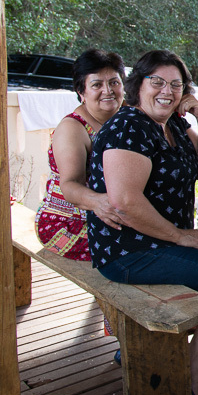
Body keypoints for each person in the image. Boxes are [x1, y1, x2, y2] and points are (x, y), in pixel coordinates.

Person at [87, 50, 198, 395]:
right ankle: (190, 371)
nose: (167, 90)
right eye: (156, 81)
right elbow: (125, 202)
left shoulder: (172, 124)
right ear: (138, 85)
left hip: (158, 244)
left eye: (176, 84)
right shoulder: (128, 126)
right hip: (127, 250)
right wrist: (180, 236)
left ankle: (173, 360)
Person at [36, 48, 126, 260]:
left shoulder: (126, 117)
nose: (108, 90)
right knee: (145, 249)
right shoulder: (73, 128)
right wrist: (100, 203)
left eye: (114, 82)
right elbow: (70, 186)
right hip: (68, 224)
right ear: (81, 92)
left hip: (110, 216)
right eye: (97, 85)